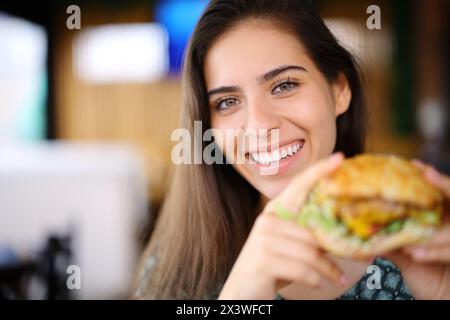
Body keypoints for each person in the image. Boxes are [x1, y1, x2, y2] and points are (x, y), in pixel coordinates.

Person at [133, 0, 450, 300]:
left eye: (284, 85)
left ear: (339, 90)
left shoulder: (423, 243)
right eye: (227, 102)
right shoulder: (174, 269)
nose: (259, 126)